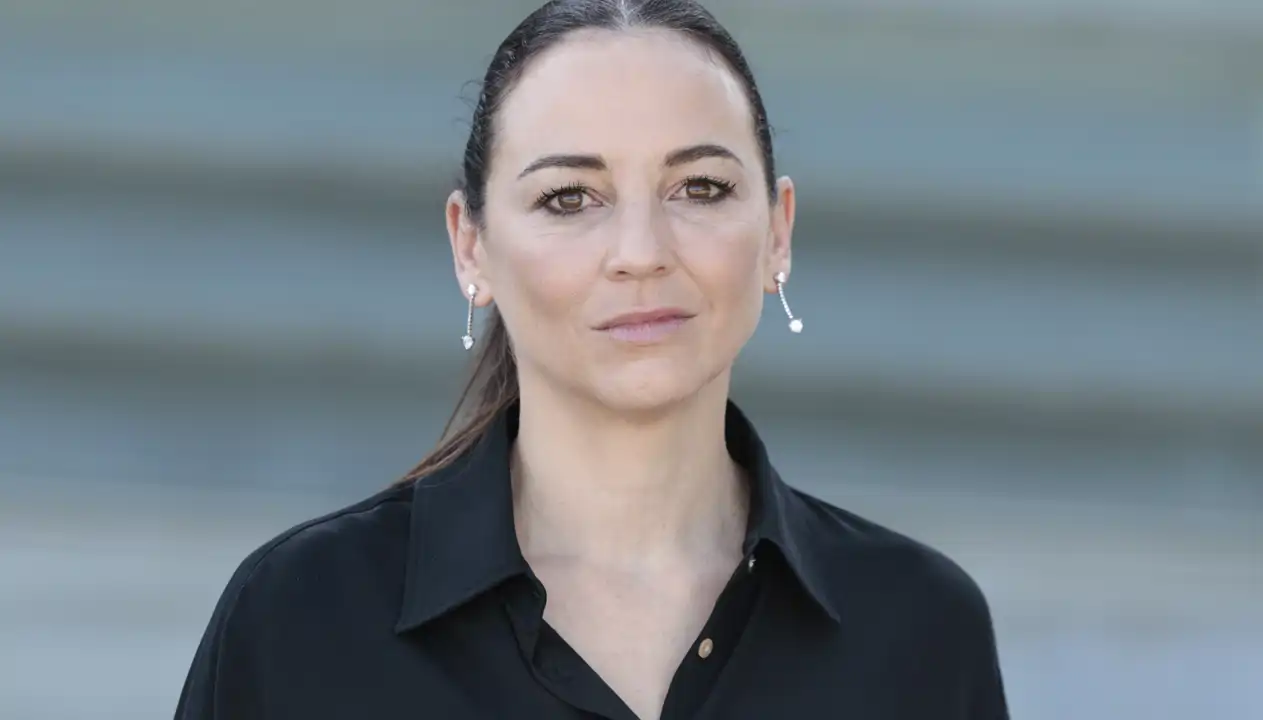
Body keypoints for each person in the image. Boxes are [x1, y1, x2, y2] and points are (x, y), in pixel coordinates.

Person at [174, 1, 1009, 718]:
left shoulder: (921, 628)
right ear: (472, 248)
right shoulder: (300, 619)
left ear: (778, 231)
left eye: (701, 188)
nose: (640, 252)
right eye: (570, 198)